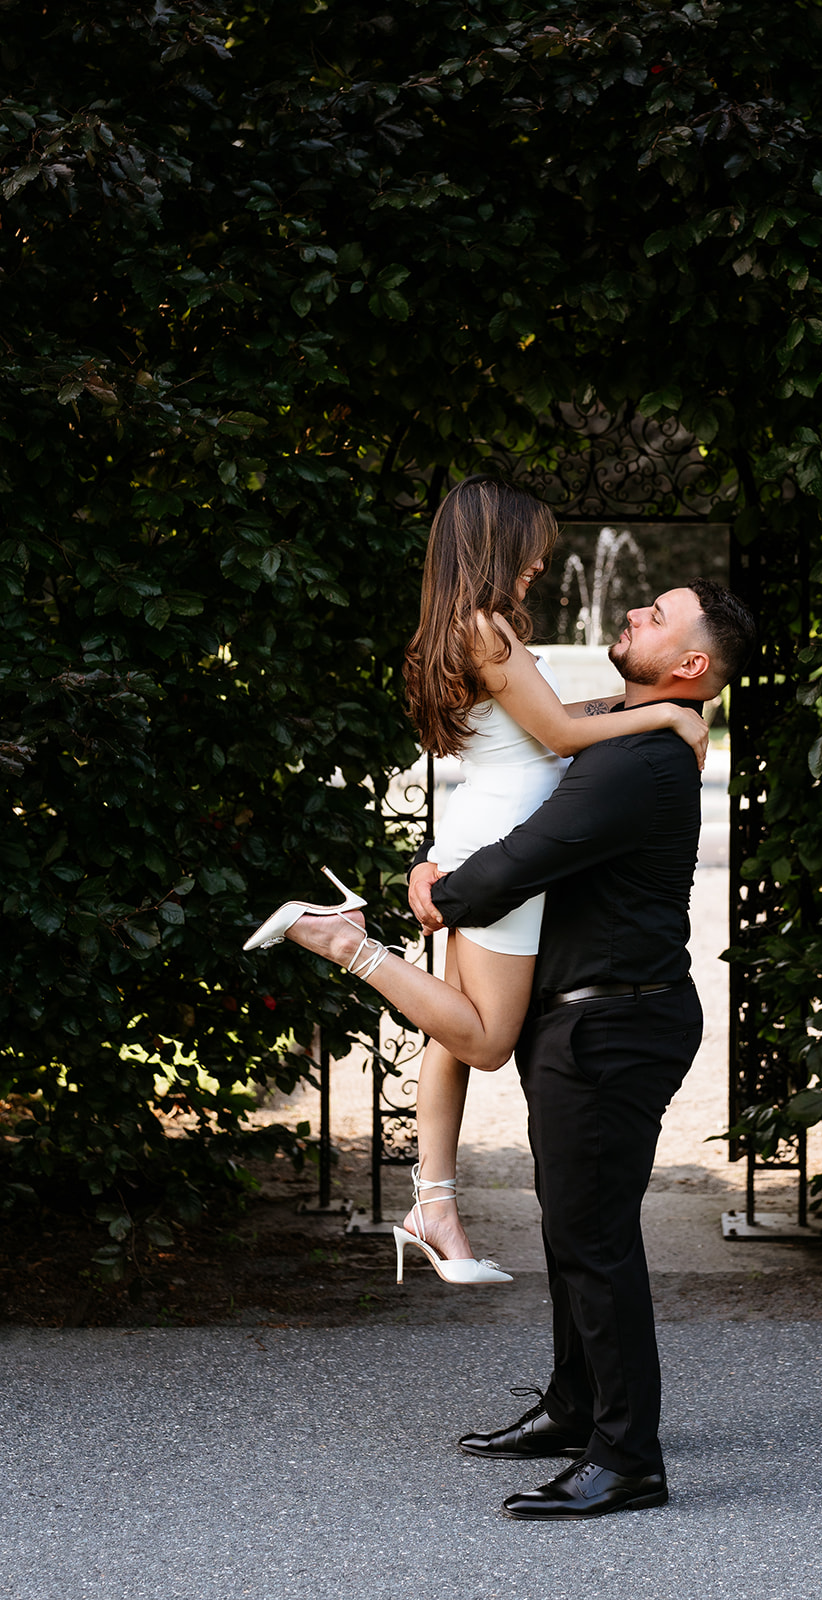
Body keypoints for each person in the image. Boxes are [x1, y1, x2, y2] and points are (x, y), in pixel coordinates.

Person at [254, 571, 757, 1520]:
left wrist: (437, 889)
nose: (634, 611)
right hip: (589, 1018)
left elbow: (516, 868)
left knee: (592, 1239)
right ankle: (577, 1410)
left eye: (656, 615)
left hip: (612, 1024)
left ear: (689, 664)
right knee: (574, 1225)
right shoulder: (636, 731)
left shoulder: (634, 764)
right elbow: (564, 723)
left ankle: (626, 1457)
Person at [243, 475, 708, 1284]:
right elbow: (562, 734)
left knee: (450, 1035)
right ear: (495, 546)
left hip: (476, 830)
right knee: (487, 1039)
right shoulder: (489, 631)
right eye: (531, 551)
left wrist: (645, 705)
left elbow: (549, 726)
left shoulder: (464, 628)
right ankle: (344, 942)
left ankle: (434, 1204)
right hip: (501, 845)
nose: (539, 565)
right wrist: (668, 713)